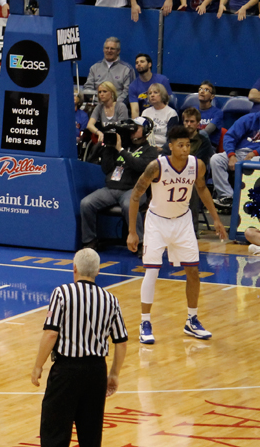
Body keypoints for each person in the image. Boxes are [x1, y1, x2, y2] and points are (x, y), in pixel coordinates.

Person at [25, 248, 128, 447]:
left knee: (54, 435)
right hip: (96, 371)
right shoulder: (110, 299)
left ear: (74, 269)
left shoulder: (63, 293)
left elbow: (50, 333)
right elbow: (121, 341)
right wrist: (114, 373)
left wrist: (38, 366)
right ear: (97, 271)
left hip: (67, 371)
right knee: (91, 438)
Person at [129, 124, 228, 345]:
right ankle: (145, 322)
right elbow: (135, 196)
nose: (185, 149)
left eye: (188, 144)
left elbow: (202, 189)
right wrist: (132, 232)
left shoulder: (197, 165)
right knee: (152, 273)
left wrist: (216, 219)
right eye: (181, 145)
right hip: (156, 222)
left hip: (183, 222)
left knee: (193, 272)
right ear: (170, 146)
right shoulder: (156, 166)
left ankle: (192, 320)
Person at [79, 117, 157, 248]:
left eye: (137, 128)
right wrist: (109, 148)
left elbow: (139, 166)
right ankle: (90, 241)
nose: (132, 131)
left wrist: (121, 150)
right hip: (111, 188)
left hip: (133, 190)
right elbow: (107, 169)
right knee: (86, 203)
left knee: (129, 205)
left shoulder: (150, 151)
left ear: (146, 132)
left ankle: (140, 243)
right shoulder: (120, 145)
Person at [210, 109, 260, 207]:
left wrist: (255, 153)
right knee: (216, 159)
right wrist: (231, 155)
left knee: (254, 162)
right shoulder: (249, 119)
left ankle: (253, 202)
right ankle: (227, 197)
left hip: (257, 156)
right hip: (240, 152)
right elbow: (229, 136)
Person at [140, 83, 179, 148]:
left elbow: (172, 139)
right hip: (146, 148)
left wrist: (162, 149)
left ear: (162, 95)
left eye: (155, 92)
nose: (152, 95)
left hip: (162, 148)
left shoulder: (171, 113)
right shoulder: (145, 112)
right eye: (150, 93)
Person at [197, 80, 222, 148]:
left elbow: (206, 132)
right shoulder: (193, 110)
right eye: (200, 89)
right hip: (192, 143)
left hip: (208, 147)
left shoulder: (217, 113)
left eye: (206, 90)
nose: (202, 91)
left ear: (212, 96)